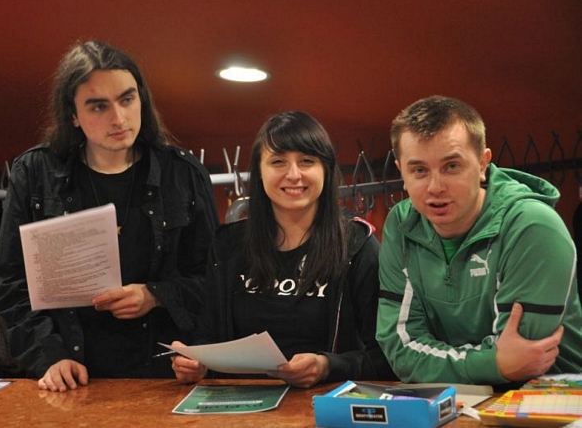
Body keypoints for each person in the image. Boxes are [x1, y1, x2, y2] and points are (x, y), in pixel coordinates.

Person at [0, 40, 219, 392]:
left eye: (127, 99)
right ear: (72, 115)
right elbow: (11, 284)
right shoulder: (35, 174)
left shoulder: (183, 174)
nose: (119, 118)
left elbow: (214, 281)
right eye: (98, 106)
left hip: (164, 377)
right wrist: (49, 356)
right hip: (70, 378)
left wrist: (156, 295)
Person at [171, 111, 396, 388]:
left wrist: (327, 366)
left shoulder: (357, 244)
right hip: (238, 401)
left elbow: (386, 358)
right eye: (278, 162)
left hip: (323, 401)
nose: (293, 175)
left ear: (326, 169)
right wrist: (195, 363)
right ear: (259, 171)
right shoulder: (228, 244)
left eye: (307, 161)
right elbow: (207, 336)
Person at [376, 95, 582, 386]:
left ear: (483, 163)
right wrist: (492, 363)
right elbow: (400, 350)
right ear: (402, 172)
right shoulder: (401, 222)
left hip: (555, 396)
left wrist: (493, 364)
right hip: (457, 399)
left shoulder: (533, 225)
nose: (435, 187)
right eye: (419, 170)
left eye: (451, 166)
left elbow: (524, 359)